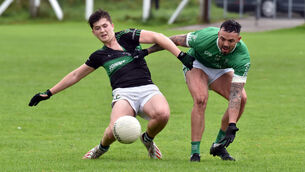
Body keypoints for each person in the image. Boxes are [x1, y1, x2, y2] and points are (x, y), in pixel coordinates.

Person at [28, 9, 194, 160]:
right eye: (97, 28)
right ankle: (101, 148)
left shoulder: (127, 36)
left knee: (163, 114)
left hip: (147, 88)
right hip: (123, 93)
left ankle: (148, 139)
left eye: (105, 26)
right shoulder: (99, 55)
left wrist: (180, 55)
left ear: (112, 25)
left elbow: (158, 37)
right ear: (93, 32)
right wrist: (49, 93)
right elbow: (75, 75)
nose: (102, 30)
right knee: (115, 128)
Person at [145, 19, 250, 162]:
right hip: (196, 63)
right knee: (200, 99)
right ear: (218, 34)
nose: (225, 44)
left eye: (231, 41)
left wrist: (232, 124)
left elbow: (235, 94)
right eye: (222, 39)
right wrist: (147, 51)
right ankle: (195, 153)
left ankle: (219, 145)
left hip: (220, 70)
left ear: (238, 39)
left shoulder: (242, 57)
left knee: (242, 99)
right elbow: (173, 40)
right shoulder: (204, 37)